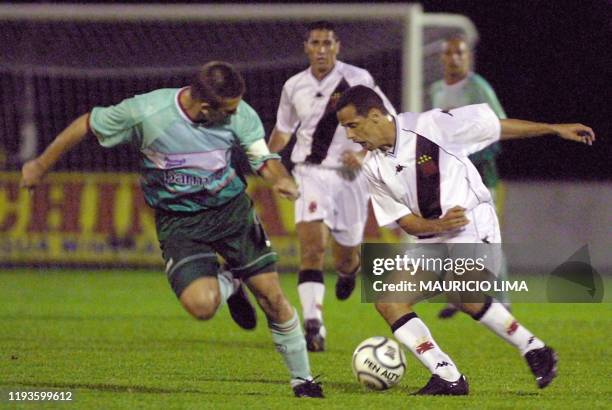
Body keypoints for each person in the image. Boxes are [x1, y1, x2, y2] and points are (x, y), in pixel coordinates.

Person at [20, 61, 324, 398]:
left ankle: (303, 381)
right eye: (229, 109)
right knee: (201, 307)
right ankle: (232, 281)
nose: (237, 113)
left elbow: (261, 157)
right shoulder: (147, 112)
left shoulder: (240, 115)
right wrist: (39, 164)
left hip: (231, 213)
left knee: (272, 297)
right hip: (179, 223)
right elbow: (87, 123)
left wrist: (279, 179)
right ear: (206, 107)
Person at [335, 85, 594, 395]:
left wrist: (553, 129)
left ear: (375, 116)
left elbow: (496, 127)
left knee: (464, 294)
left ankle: (534, 348)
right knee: (390, 301)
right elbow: (407, 223)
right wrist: (438, 224)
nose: (350, 136)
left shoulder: (430, 125)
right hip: (433, 234)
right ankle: (447, 376)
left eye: (352, 125)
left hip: (472, 222)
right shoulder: (374, 167)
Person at [267, 21, 394, 352]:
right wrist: (265, 161)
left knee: (346, 259)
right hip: (309, 173)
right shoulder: (294, 85)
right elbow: (282, 131)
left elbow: (388, 120)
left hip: (350, 178)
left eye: (327, 43)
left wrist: (365, 151)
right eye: (315, 43)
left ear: (337, 47)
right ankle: (313, 324)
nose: (321, 49)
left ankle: (349, 273)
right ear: (306, 47)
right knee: (311, 249)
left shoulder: (358, 79)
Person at [429, 35, 510, 318]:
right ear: (441, 57)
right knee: (454, 234)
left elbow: (498, 129)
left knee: (488, 236)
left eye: (459, 53)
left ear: (468, 57)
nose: (454, 58)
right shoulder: (436, 90)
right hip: (451, 181)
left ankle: (502, 299)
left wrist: (468, 158)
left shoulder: (477, 87)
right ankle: (460, 295)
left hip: (481, 177)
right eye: (448, 53)